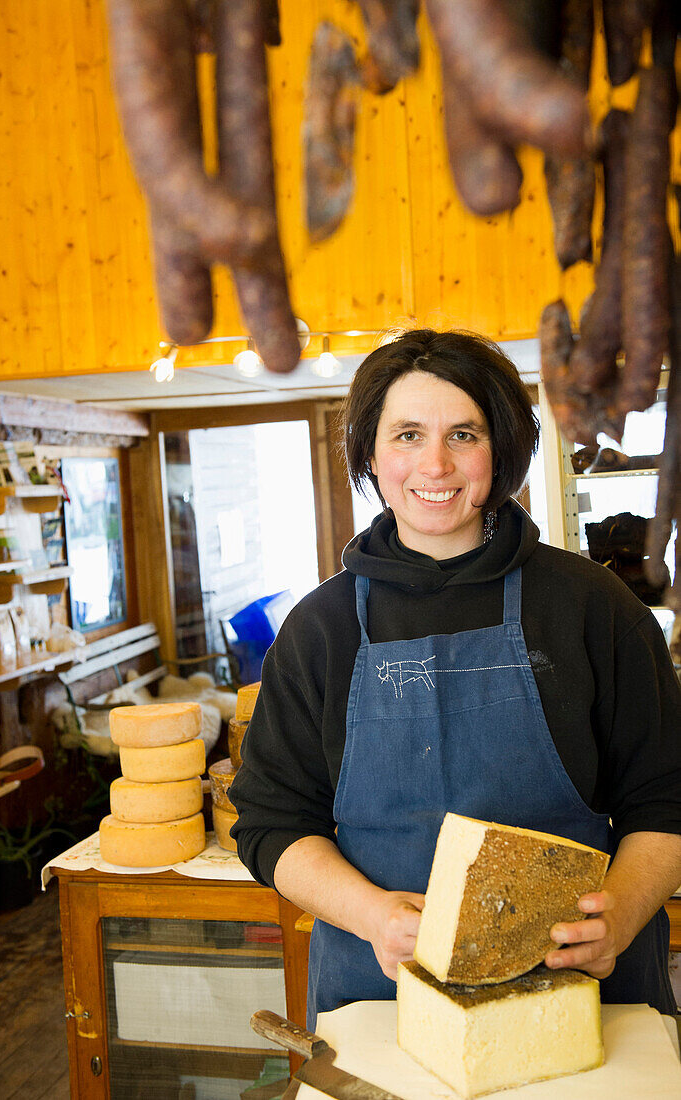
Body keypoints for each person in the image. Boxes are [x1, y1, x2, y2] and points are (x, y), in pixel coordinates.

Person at [229, 328, 681, 1026]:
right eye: (407, 434)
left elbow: (666, 799)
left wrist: (619, 915)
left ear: (499, 450)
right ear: (371, 453)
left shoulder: (592, 606)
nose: (434, 464)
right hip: (384, 1001)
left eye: (463, 434)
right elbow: (271, 823)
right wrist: (374, 915)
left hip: (579, 995)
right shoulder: (320, 631)